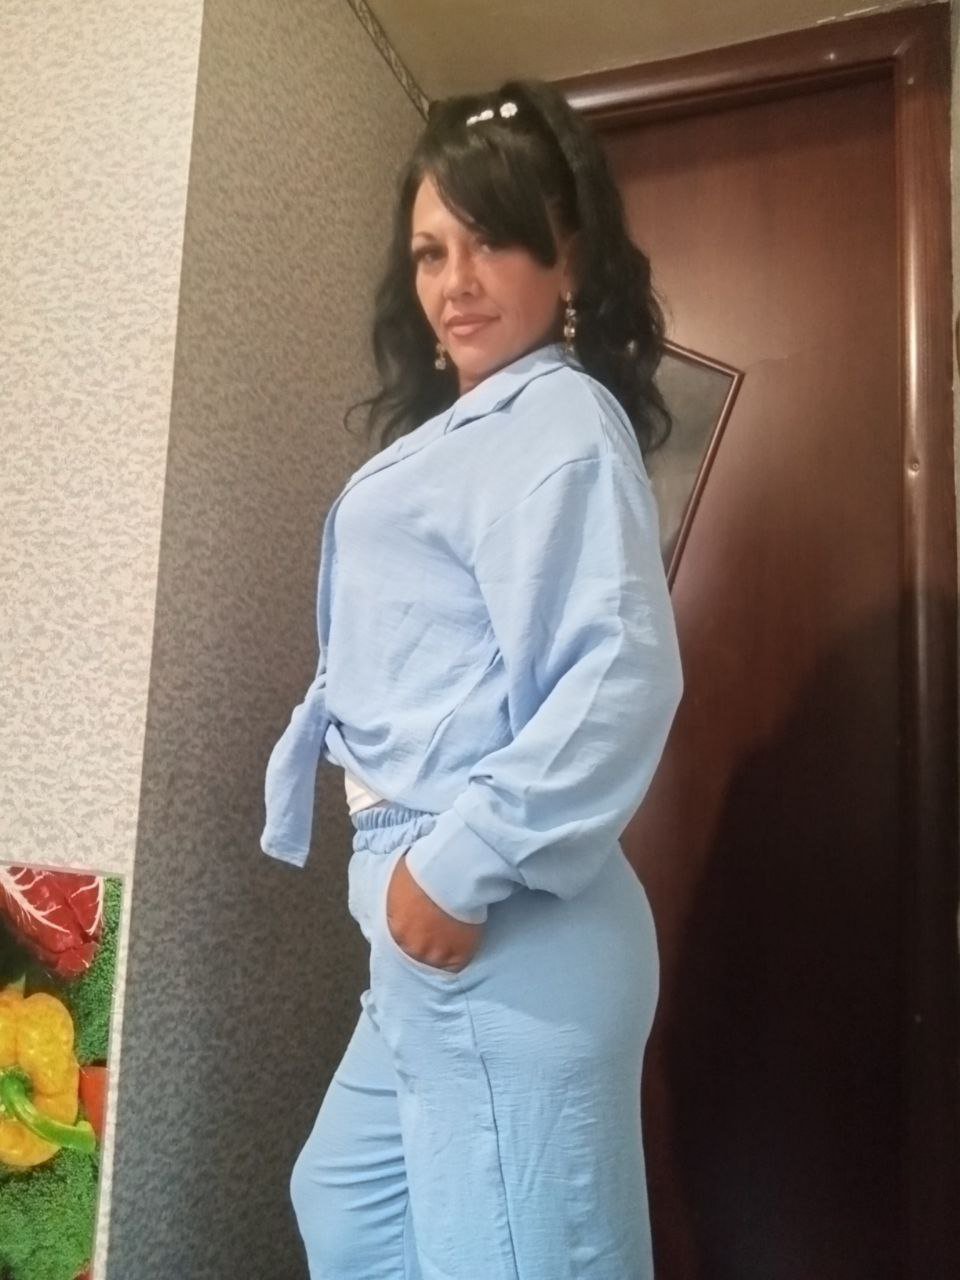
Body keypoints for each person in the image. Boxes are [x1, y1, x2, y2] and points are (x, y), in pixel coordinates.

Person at [260, 77, 684, 1280]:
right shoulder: (472, 429)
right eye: (430, 251)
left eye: (490, 240)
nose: (455, 281)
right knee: (348, 1206)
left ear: (568, 254)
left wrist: (457, 864)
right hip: (434, 924)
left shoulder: (558, 420)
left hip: (497, 917)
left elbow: (620, 673)